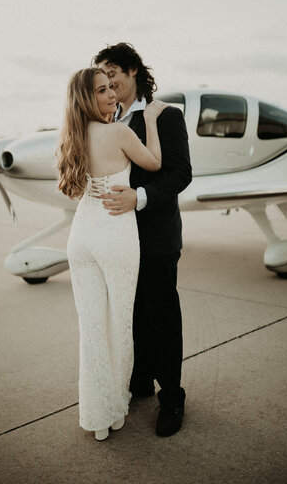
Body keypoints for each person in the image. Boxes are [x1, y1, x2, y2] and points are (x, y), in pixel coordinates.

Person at [57, 67, 166, 441]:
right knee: (119, 327)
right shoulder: (119, 131)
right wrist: (149, 120)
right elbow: (154, 162)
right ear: (89, 98)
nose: (111, 95)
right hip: (115, 236)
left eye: (110, 89)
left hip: (80, 239)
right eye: (103, 90)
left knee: (91, 331)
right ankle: (115, 407)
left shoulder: (71, 137)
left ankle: (95, 415)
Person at [92, 43, 192, 437]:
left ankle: (172, 397)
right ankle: (140, 382)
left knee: (162, 316)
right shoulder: (104, 118)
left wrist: (141, 197)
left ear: (134, 71)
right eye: (102, 72)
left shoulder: (165, 116)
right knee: (130, 314)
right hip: (117, 237)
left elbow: (180, 174)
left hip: (156, 236)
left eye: (113, 70)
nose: (108, 79)